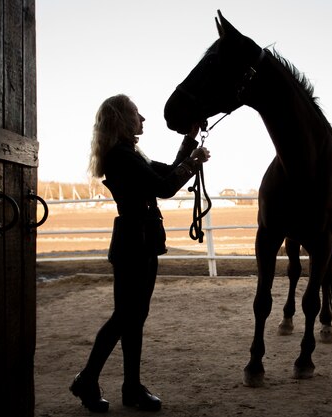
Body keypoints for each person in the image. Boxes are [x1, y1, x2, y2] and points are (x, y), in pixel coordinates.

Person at [70, 94, 210, 412]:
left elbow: (166, 174)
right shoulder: (121, 157)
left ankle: (128, 387)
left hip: (140, 242)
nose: (142, 118)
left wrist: (189, 142)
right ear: (121, 119)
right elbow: (165, 187)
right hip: (134, 243)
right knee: (125, 317)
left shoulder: (130, 154)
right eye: (136, 113)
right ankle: (89, 379)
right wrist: (193, 162)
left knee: (134, 318)